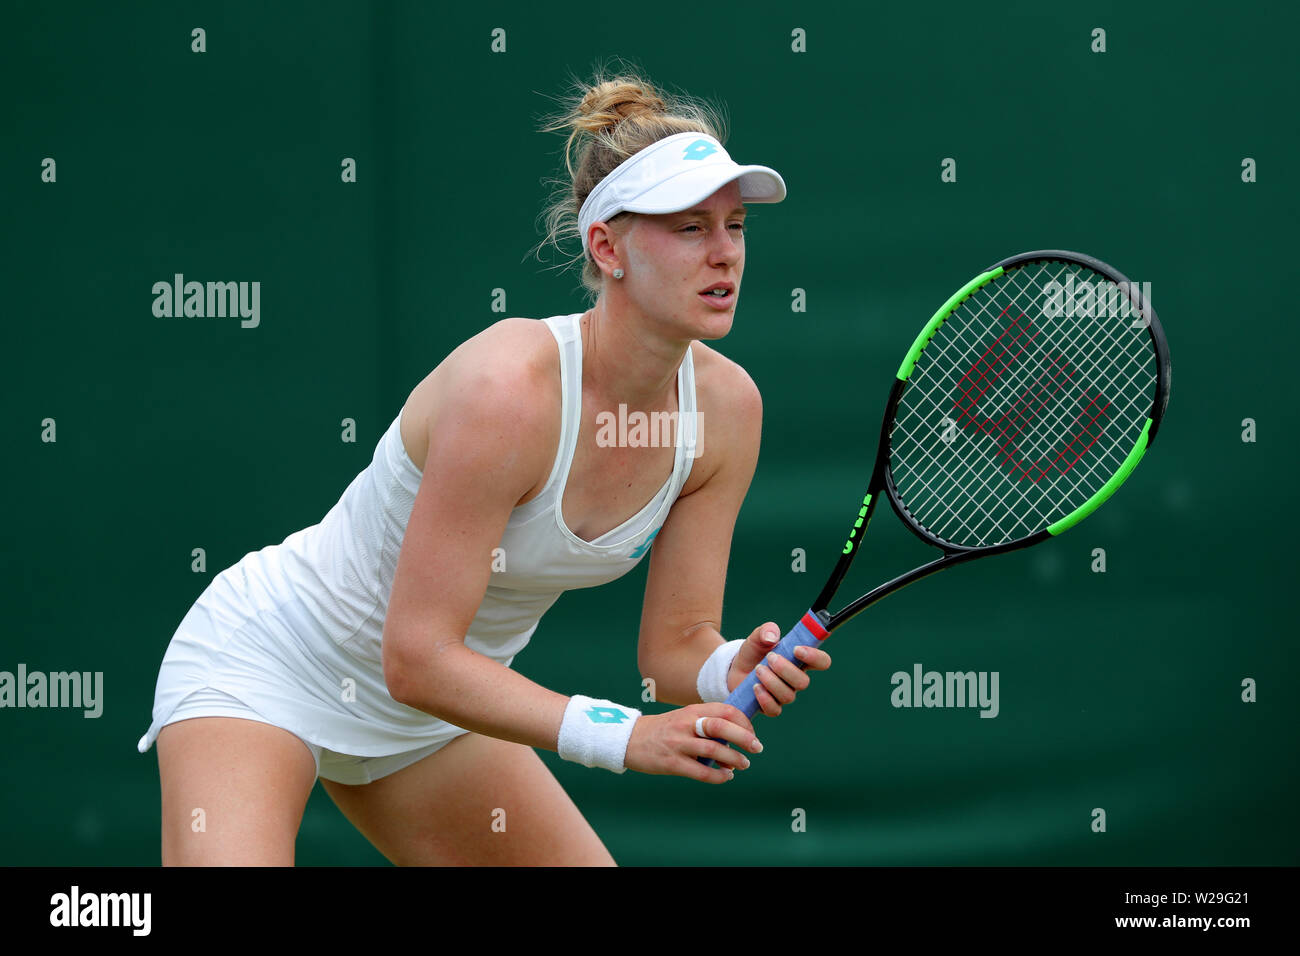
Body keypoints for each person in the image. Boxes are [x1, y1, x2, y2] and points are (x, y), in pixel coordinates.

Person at [136, 66, 831, 866]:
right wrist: (622, 736)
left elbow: (672, 645)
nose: (725, 254)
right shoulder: (508, 390)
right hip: (271, 666)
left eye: (735, 225)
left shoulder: (726, 412)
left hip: (432, 719)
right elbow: (416, 655)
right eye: (689, 229)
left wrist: (721, 665)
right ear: (606, 247)